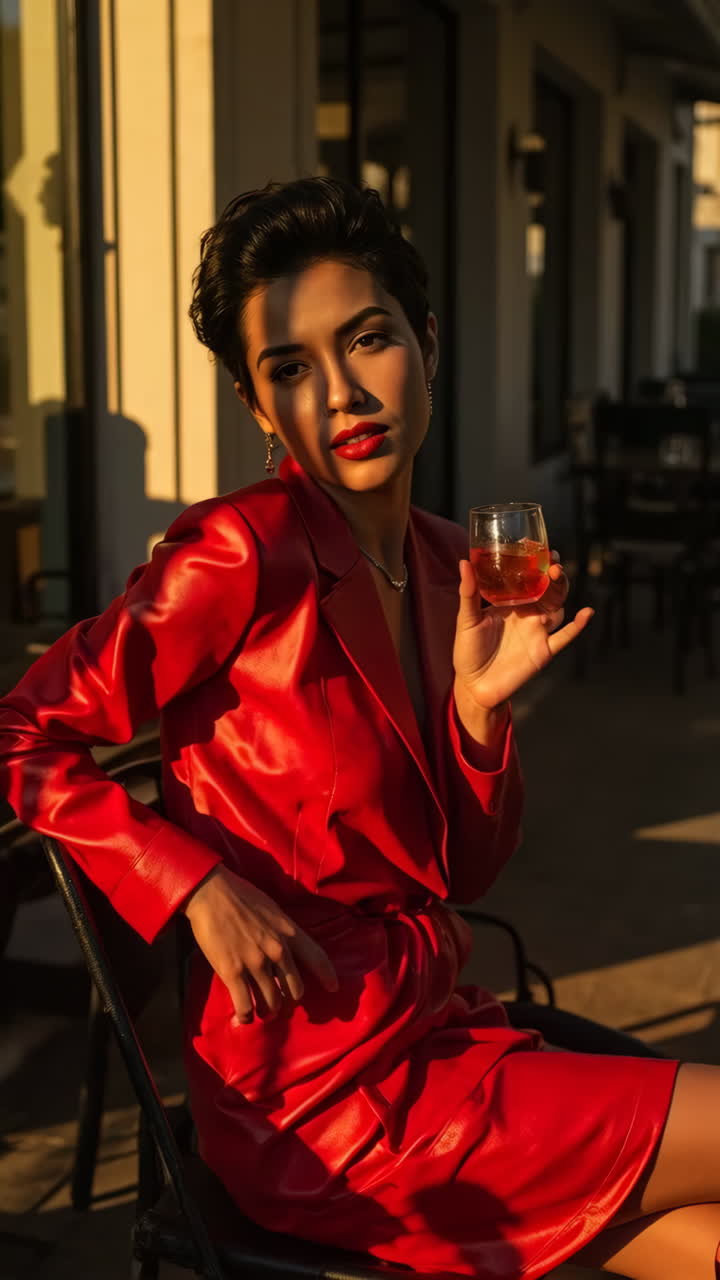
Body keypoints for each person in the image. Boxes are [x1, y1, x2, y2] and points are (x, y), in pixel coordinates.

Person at [0, 177, 717, 1280]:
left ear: (425, 341)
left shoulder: (446, 562)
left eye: (368, 338)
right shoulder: (240, 554)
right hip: (314, 1097)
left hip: (434, 1030)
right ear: (258, 406)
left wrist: (481, 715)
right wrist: (189, 882)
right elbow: (22, 731)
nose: (341, 392)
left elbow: (463, 865)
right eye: (290, 368)